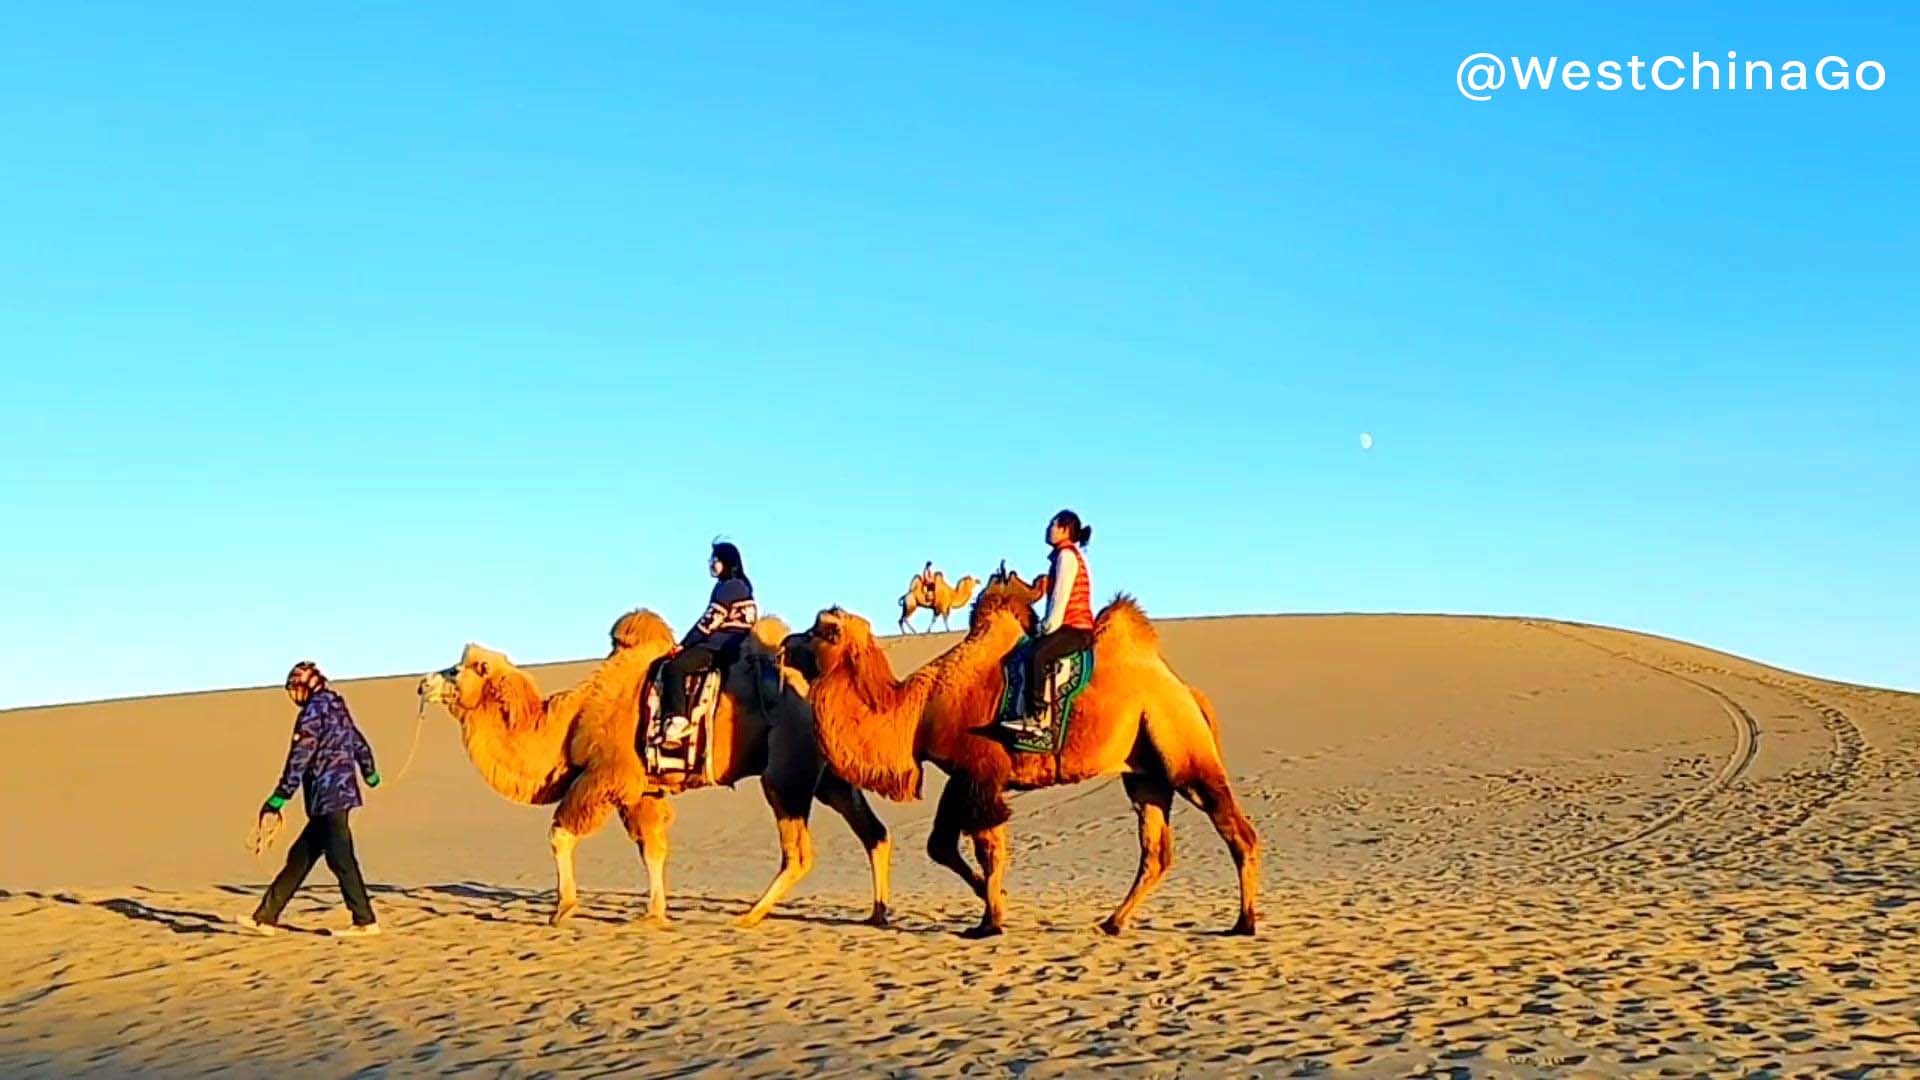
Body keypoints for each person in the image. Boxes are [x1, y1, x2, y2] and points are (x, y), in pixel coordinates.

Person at [238, 662, 382, 937]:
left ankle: (365, 920)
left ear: (306, 687)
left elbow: (300, 757)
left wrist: (279, 797)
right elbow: (358, 741)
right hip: (333, 797)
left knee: (341, 857)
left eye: (294, 689)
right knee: (301, 857)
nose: (292, 696)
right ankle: (265, 917)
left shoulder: (312, 713)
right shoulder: (337, 705)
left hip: (330, 795)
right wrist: (369, 771)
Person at [661, 542, 759, 741]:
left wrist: (684, 645)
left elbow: (709, 622)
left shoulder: (729, 587)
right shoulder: (741, 586)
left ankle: (677, 719)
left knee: (674, 668)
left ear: (727, 562)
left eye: (716, 560)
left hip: (719, 648)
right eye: (711, 560)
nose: (712, 564)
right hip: (730, 646)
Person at [1022, 510, 1096, 726]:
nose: (1048, 529)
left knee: (1036, 655)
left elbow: (1059, 601)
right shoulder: (1066, 557)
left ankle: (1036, 716)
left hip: (1075, 629)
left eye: (1052, 525)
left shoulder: (1067, 557)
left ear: (1064, 529)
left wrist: (1044, 629)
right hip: (1071, 627)